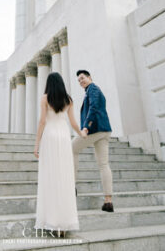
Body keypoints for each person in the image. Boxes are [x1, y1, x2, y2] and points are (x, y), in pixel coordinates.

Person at [33, 72, 85, 236]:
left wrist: (37, 144)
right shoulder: (68, 100)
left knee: (50, 177)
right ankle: (64, 224)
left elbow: (42, 122)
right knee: (64, 177)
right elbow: (74, 122)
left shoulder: (45, 98)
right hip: (63, 137)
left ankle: (52, 221)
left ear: (49, 84)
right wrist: (81, 133)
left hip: (50, 137)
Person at [72, 69, 114, 212]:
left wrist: (86, 127)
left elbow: (94, 107)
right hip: (105, 130)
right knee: (103, 164)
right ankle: (108, 201)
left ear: (89, 77)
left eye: (82, 78)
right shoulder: (92, 90)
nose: (81, 81)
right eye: (78, 80)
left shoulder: (93, 89)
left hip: (95, 129)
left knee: (72, 148)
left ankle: (71, 187)